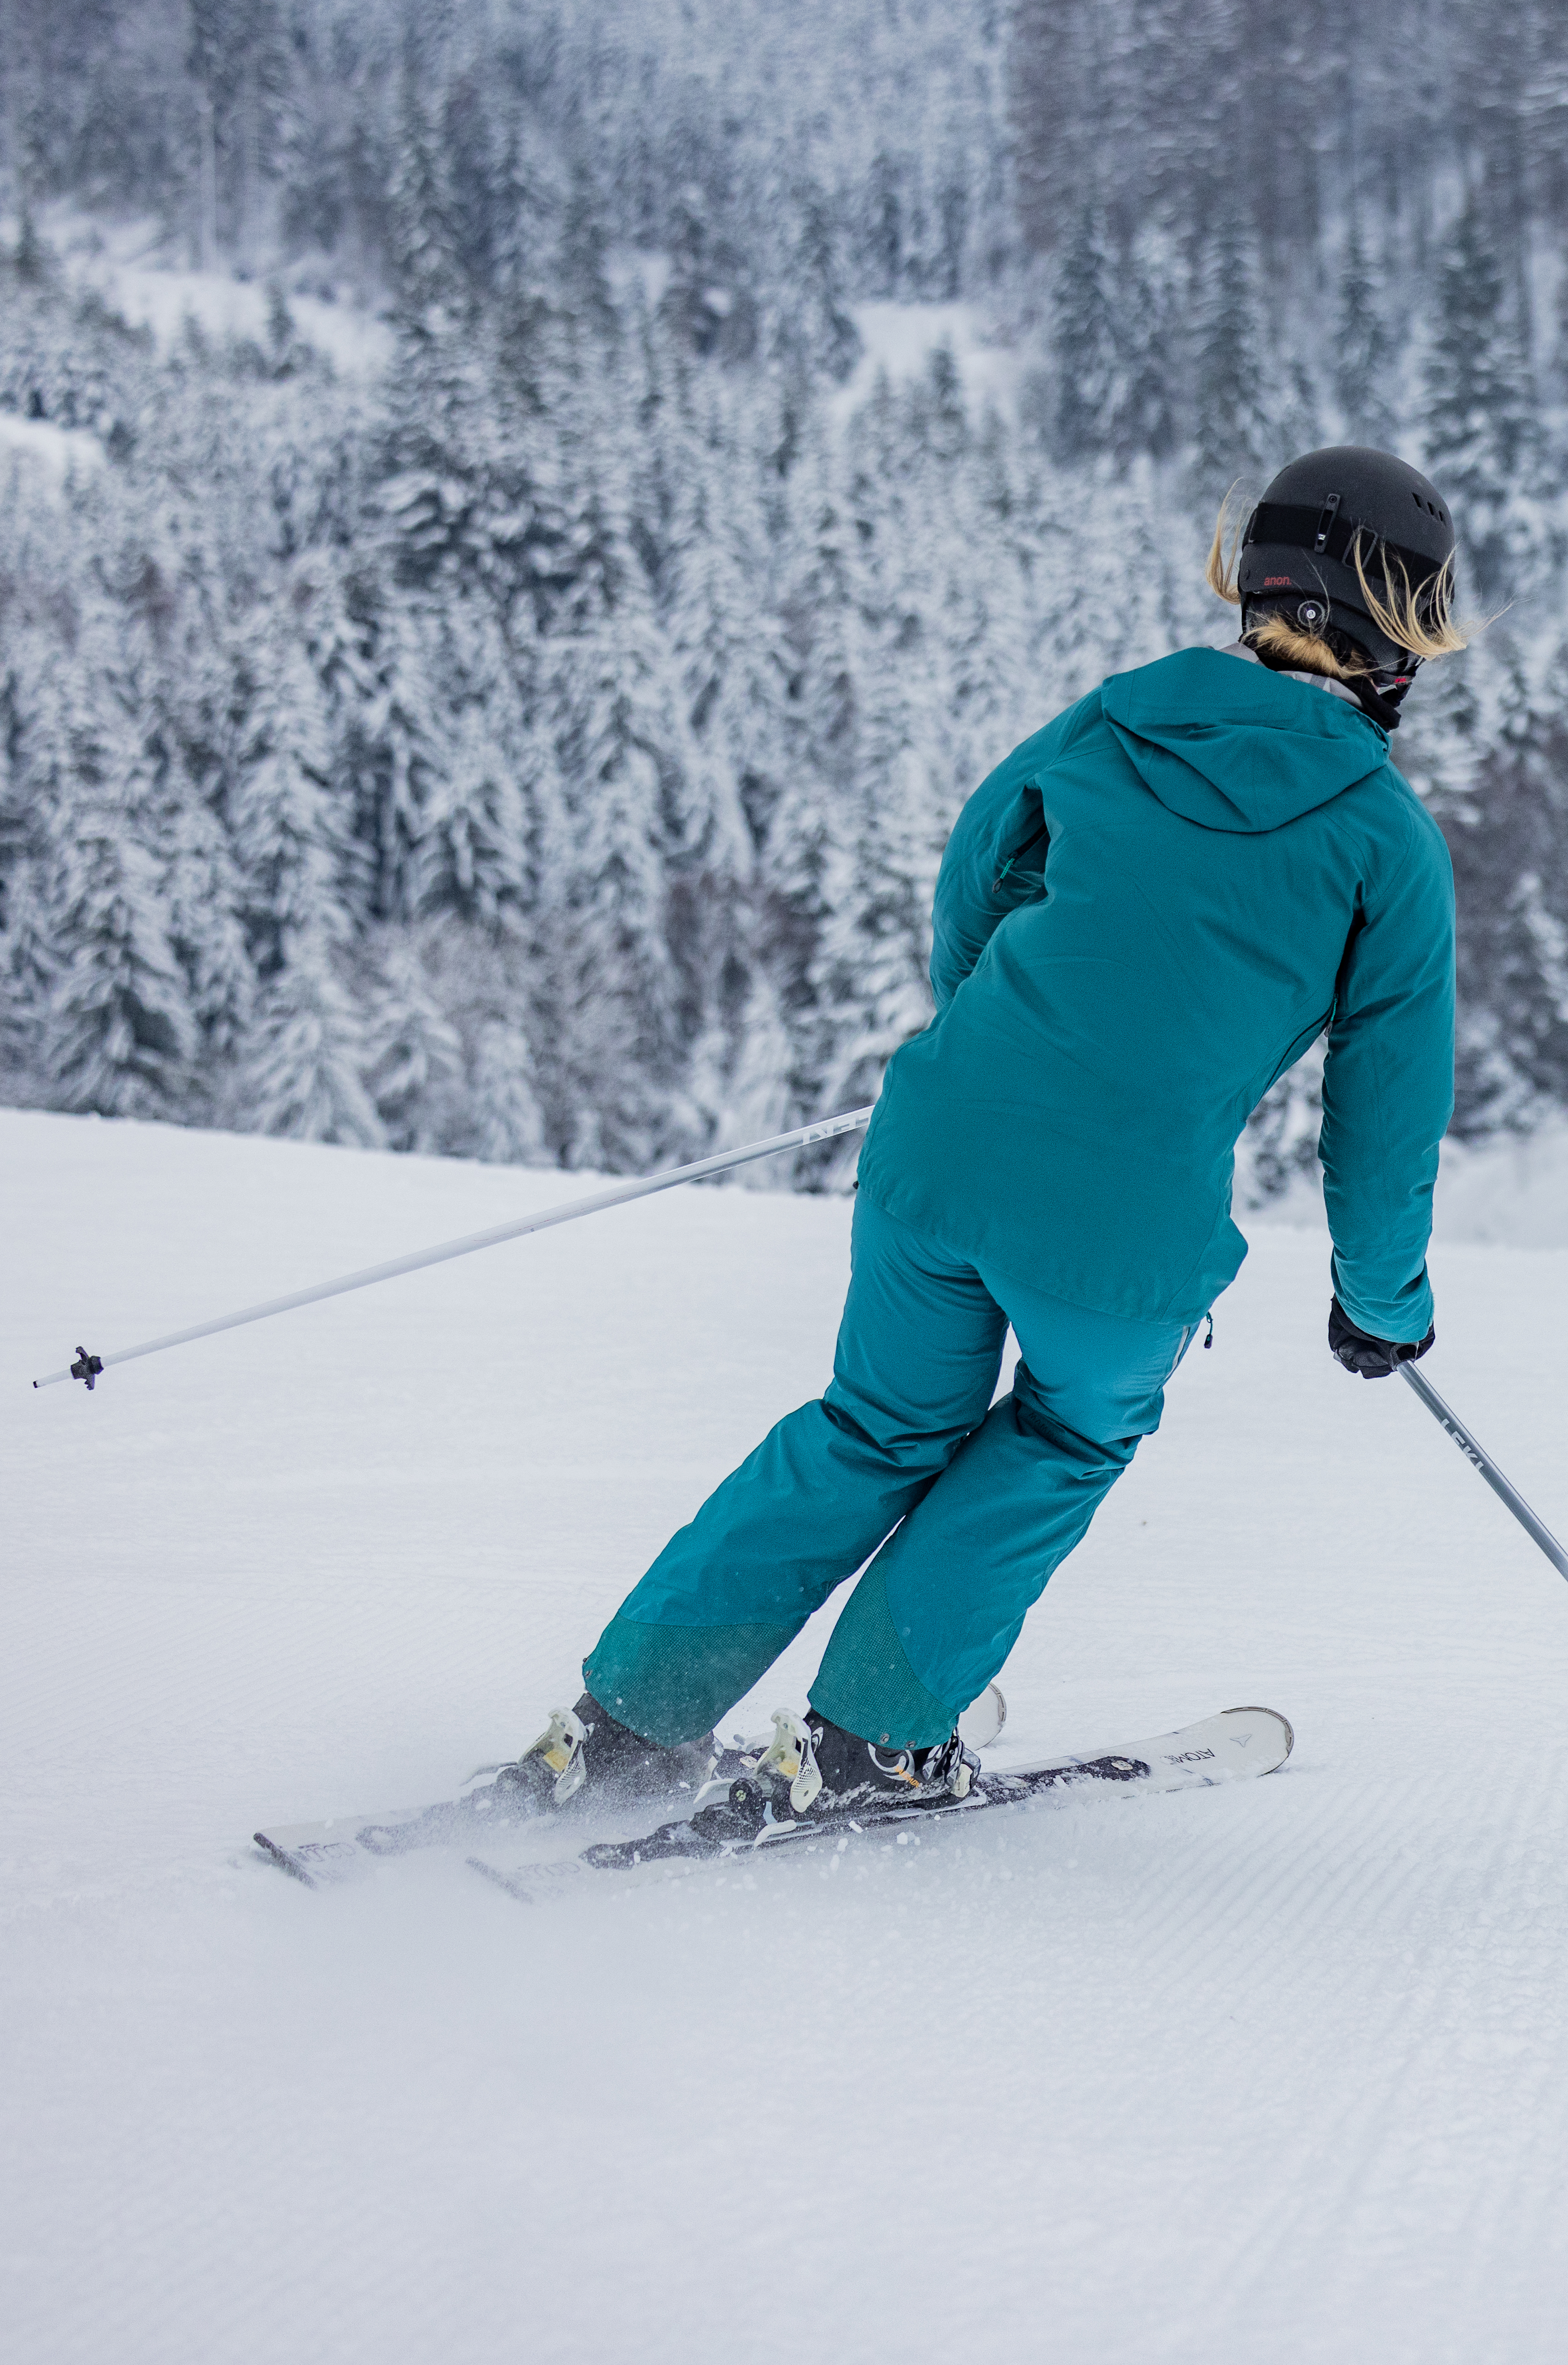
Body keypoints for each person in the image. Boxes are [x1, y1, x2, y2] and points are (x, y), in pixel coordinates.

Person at [485, 447, 1466, 1827]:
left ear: (1253, 584)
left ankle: (631, 1720)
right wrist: (1383, 1307)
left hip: (935, 1153)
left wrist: (996, 1041)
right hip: (1118, 1232)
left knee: (874, 1427)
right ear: (1402, 634)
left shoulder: (1112, 723)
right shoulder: (1383, 840)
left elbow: (977, 878)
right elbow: (1386, 1114)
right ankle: (871, 1740)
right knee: (1067, 1436)